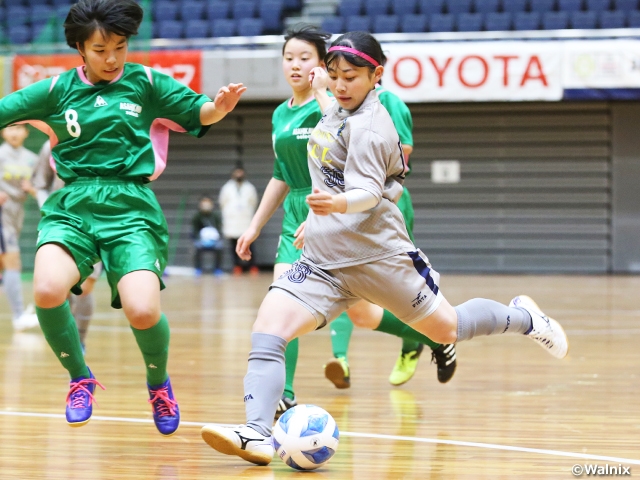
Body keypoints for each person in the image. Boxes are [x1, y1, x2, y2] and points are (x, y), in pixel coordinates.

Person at [201, 31, 569, 466]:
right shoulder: (332, 108)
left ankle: (525, 317)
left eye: (350, 77)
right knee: (269, 326)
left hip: (380, 257)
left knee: (448, 329)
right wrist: (320, 218)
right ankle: (257, 431)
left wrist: (335, 206)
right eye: (333, 75)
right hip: (324, 259)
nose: (340, 84)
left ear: (376, 75)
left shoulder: (373, 126)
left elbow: (369, 194)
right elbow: (325, 168)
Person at [0, 0, 246, 435]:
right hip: (72, 204)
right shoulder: (55, 91)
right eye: (100, 48)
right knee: (46, 289)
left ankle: (158, 385)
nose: (112, 57)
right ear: (79, 48)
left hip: (131, 208)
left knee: (143, 310)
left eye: (120, 46)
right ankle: (80, 378)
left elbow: (199, 112)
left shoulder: (147, 82)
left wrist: (219, 109)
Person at [234, 25, 454, 419]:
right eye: (289, 58)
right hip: (302, 212)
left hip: (344, 210)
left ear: (326, 65)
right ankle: (283, 395)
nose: (296, 66)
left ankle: (429, 335)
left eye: (305, 58)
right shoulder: (281, 114)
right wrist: (254, 225)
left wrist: (330, 216)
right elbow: (282, 174)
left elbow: (384, 175)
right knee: (280, 300)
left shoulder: (342, 110)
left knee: (365, 315)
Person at [28, 139, 101, 353]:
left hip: (92, 221)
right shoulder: (50, 144)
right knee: (59, 287)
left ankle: (81, 339)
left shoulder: (101, 137)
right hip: (58, 223)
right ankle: (68, 343)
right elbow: (40, 185)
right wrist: (49, 210)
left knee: (85, 287)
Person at [0, 124, 40, 332]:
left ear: (26, 131)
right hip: (2, 214)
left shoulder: (32, 158)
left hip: (17, 213)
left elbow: (41, 187)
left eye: (18, 128)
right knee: (12, 261)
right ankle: (18, 316)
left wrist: (32, 189)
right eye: (9, 128)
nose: (14, 132)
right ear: (3, 132)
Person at [219, 164, 259, 275]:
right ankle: (237, 266)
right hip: (232, 221)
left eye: (240, 172)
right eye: (237, 172)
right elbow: (222, 203)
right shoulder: (226, 188)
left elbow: (253, 202)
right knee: (233, 245)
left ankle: (252, 266)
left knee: (249, 243)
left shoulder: (250, 188)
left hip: (245, 220)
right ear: (233, 174)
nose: (239, 175)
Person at [192, 195, 224, 276]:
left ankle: (217, 268)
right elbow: (195, 231)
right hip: (202, 240)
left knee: (219, 246)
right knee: (197, 247)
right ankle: (198, 268)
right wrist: (199, 239)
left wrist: (216, 238)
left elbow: (219, 229)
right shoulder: (197, 217)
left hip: (214, 240)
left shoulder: (215, 216)